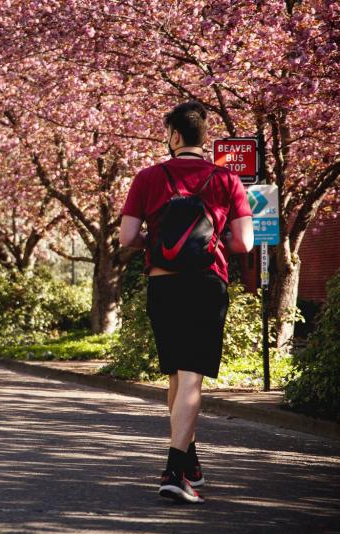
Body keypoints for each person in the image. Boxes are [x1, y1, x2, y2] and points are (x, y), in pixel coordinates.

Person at [119, 101, 254, 503]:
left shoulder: (148, 177)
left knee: (177, 376)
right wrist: (213, 245)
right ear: (201, 136)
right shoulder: (226, 179)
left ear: (174, 136)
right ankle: (175, 470)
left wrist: (157, 245)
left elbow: (126, 238)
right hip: (205, 284)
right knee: (192, 374)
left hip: (163, 285)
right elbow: (244, 242)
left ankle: (190, 460)